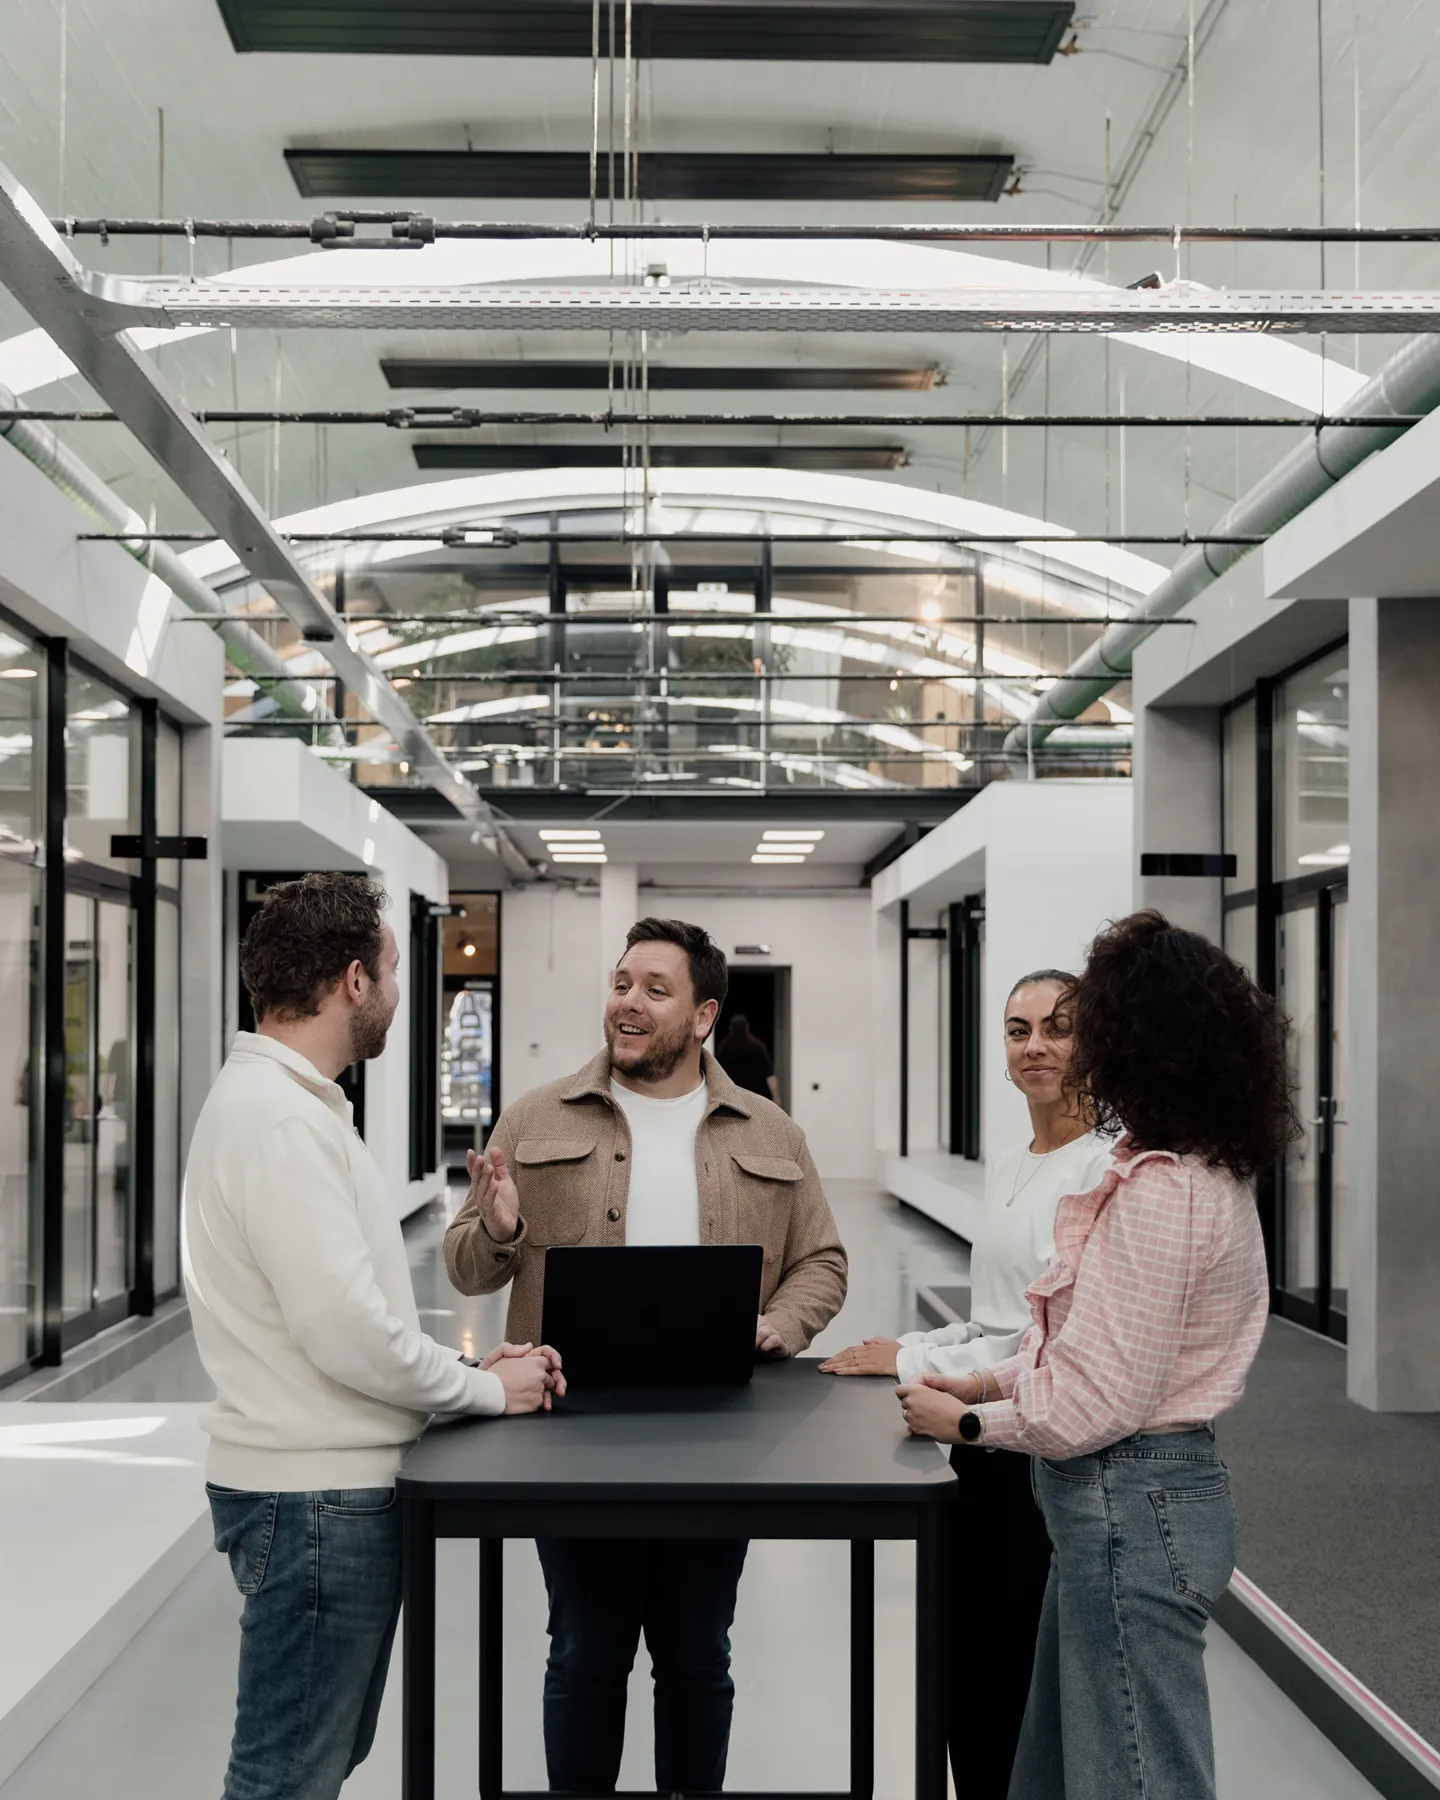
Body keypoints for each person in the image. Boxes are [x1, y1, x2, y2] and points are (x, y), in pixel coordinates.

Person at [445, 916, 848, 1796]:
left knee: (699, 1655)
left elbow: (823, 1260)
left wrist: (782, 1322)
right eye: (622, 983)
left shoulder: (770, 1131)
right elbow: (468, 1266)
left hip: (723, 1440)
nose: (628, 1002)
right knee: (585, 1653)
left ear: (703, 1016)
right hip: (571, 1433)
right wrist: (502, 1228)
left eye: (654, 990)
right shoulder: (537, 1114)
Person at [897, 912, 1295, 1800]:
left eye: (1093, 1022)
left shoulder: (1167, 1190)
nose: (1075, 1047)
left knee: (1135, 1776)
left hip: (1130, 1507)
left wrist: (967, 1417)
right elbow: (1085, 1340)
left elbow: (1098, 1398)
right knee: (1051, 1768)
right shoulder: (1173, 1167)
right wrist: (992, 1377)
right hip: (1108, 1509)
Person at [183, 872, 563, 1800]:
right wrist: (486, 1389)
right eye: (393, 969)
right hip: (315, 1504)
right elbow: (346, 1333)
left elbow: (352, 1318)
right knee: (288, 1775)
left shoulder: (287, 1107)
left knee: (315, 1760)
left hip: (317, 1496)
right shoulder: (279, 1122)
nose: (399, 992)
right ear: (354, 981)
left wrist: (470, 1364)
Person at [820, 969, 1113, 1798]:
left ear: (1095, 1040)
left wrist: (916, 1364)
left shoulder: (1104, 1170)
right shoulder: (1020, 1159)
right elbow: (995, 1313)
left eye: (1058, 1028)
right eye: (1019, 1031)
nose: (1037, 1047)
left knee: (1016, 1678)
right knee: (971, 1671)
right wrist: (909, 1343)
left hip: (1039, 1451)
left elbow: (1050, 1341)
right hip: (975, 1440)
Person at [715, 1011, 781, 1104]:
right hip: (756, 1096)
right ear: (747, 1027)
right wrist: (776, 1098)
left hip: (733, 1096)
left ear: (730, 1028)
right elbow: (770, 1076)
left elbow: (717, 1075)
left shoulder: (724, 1048)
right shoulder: (757, 1047)